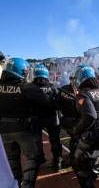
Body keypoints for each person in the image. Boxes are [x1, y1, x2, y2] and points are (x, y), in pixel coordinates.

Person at [0, 58, 43, 187]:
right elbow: (47, 103)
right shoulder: (28, 87)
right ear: (21, 72)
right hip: (24, 130)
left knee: (11, 160)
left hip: (3, 130)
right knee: (32, 158)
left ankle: (17, 184)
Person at [27, 64, 63, 171]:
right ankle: (58, 161)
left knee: (37, 140)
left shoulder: (29, 88)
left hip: (36, 117)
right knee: (55, 140)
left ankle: (40, 160)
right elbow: (58, 102)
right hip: (51, 117)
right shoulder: (52, 87)